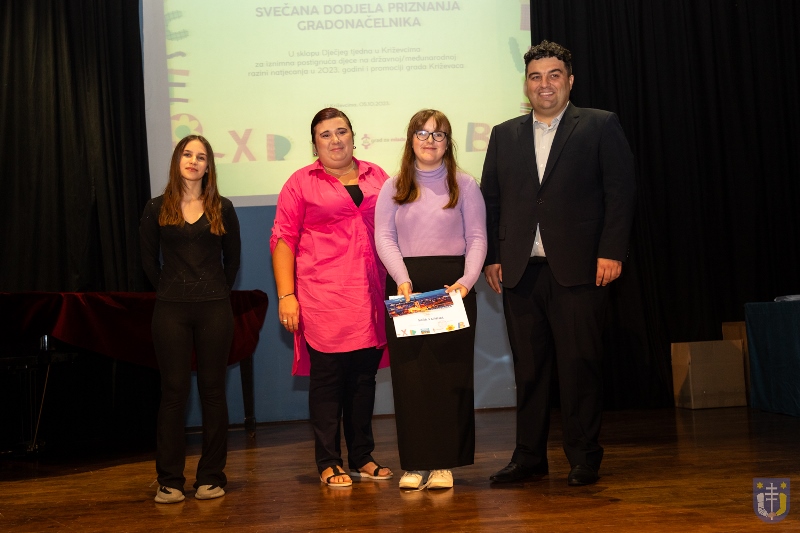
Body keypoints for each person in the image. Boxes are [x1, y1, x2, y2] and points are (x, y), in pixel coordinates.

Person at [481, 40, 636, 486]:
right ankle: (529, 457)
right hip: (520, 272)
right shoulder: (504, 134)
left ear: (569, 80)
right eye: (535, 76)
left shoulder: (600, 125)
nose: (544, 84)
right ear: (525, 84)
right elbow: (492, 200)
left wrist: (612, 250)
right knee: (529, 372)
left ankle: (583, 456)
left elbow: (620, 192)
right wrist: (494, 256)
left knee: (579, 365)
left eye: (553, 75)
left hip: (580, 269)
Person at [271, 108, 393, 488]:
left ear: (354, 136)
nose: (335, 140)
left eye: (342, 131)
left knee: (363, 379)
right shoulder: (300, 182)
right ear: (314, 144)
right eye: (325, 134)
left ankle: (362, 456)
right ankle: (328, 460)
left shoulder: (378, 175)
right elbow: (283, 239)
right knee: (328, 381)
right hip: (322, 295)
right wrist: (286, 295)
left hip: (371, 293)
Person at [375, 109, 487, 490]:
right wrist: (402, 278)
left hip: (453, 289)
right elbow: (384, 238)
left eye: (438, 135)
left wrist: (467, 282)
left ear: (448, 142)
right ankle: (415, 464)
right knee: (411, 378)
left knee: (449, 376)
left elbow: (477, 238)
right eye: (422, 133)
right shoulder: (393, 187)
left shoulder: (465, 185)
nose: (430, 141)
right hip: (408, 289)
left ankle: (444, 464)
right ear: (411, 140)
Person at [140, 134, 241, 503]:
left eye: (201, 156)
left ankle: (211, 477)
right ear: (177, 160)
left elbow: (233, 261)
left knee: (213, 392)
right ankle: (169, 480)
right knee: (174, 392)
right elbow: (148, 262)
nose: (194, 161)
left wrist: (213, 290)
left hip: (215, 308)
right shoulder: (156, 207)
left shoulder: (223, 207)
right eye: (187, 154)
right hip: (171, 310)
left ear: (208, 166)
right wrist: (172, 290)